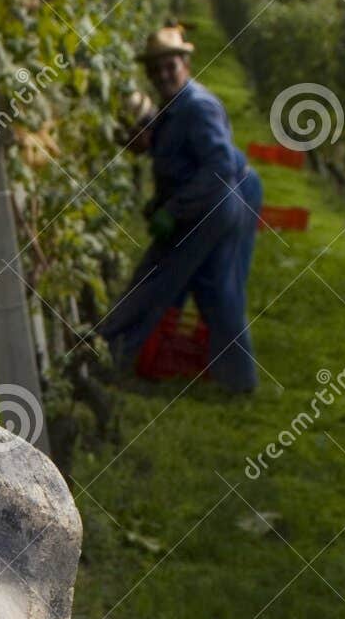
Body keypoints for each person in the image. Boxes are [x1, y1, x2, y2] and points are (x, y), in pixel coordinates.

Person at [103, 24, 262, 392]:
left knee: (157, 279)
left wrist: (173, 211)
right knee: (215, 290)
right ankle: (237, 382)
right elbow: (181, 168)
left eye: (169, 66)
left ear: (185, 63)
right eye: (155, 69)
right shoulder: (173, 110)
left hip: (211, 208)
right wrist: (163, 205)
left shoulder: (196, 107)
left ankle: (114, 353)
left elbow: (219, 167)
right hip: (211, 205)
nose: (162, 74)